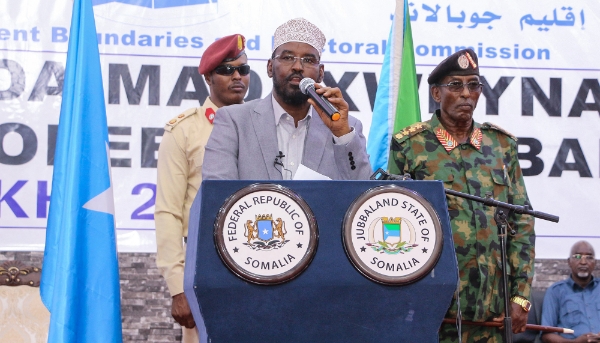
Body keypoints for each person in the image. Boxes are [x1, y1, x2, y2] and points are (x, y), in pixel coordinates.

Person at [389, 48, 535, 342]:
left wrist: (521, 297)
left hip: (493, 308)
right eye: (456, 85)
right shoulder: (410, 145)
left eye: (474, 85)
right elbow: (393, 219)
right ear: (436, 93)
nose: (467, 94)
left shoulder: (500, 145)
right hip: (433, 307)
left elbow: (523, 223)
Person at [154, 34, 250, 343]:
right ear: (208, 76)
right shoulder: (183, 131)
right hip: (205, 267)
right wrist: (178, 287)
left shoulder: (263, 126)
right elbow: (167, 211)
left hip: (262, 256)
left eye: (243, 70)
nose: (237, 77)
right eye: (226, 69)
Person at [202, 18, 371, 181]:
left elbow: (364, 194)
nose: (297, 66)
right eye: (287, 58)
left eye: (308, 60)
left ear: (320, 73)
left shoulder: (346, 127)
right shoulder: (235, 121)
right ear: (270, 67)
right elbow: (218, 193)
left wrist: (342, 134)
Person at [541, 241, 600, 343]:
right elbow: (547, 334)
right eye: (577, 256)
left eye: (589, 257)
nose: (583, 262)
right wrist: (576, 342)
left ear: (595, 263)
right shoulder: (555, 292)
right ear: (569, 262)